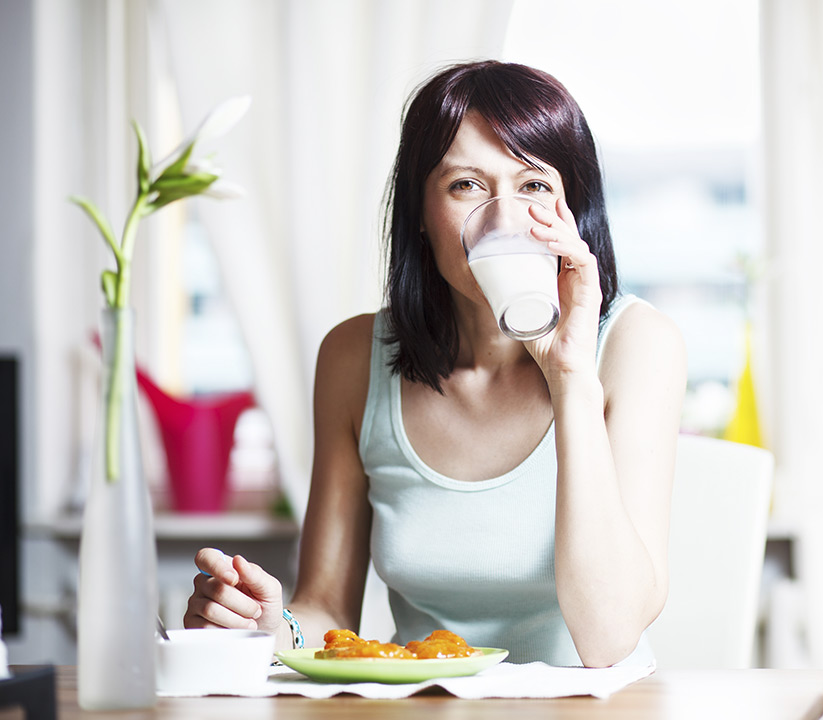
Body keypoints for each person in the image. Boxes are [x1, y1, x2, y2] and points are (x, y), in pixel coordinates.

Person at [184, 60, 686, 668]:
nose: (502, 219)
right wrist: (271, 625)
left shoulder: (637, 344)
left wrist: (570, 375)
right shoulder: (352, 358)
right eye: (465, 186)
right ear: (419, 215)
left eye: (533, 186)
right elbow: (327, 611)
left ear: (572, 212)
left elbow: (608, 637)